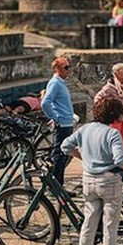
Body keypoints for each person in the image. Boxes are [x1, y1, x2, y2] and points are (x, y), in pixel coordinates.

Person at [61, 97, 123, 245]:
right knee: (110, 228)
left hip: (88, 180)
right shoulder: (112, 134)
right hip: (109, 182)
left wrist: (83, 157)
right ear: (114, 115)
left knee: (88, 225)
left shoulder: (84, 129)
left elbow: (65, 146)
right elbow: (120, 160)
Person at [40, 56, 75, 185]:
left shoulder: (60, 83)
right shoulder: (55, 83)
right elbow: (45, 103)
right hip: (63, 124)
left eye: (68, 67)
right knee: (59, 156)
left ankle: (59, 185)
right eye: (65, 67)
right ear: (57, 68)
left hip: (67, 122)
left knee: (63, 156)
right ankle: (56, 186)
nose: (68, 70)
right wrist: (55, 117)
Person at [93, 63, 123, 145]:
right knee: (114, 141)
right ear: (116, 73)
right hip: (115, 119)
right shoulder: (109, 87)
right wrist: (109, 108)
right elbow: (97, 99)